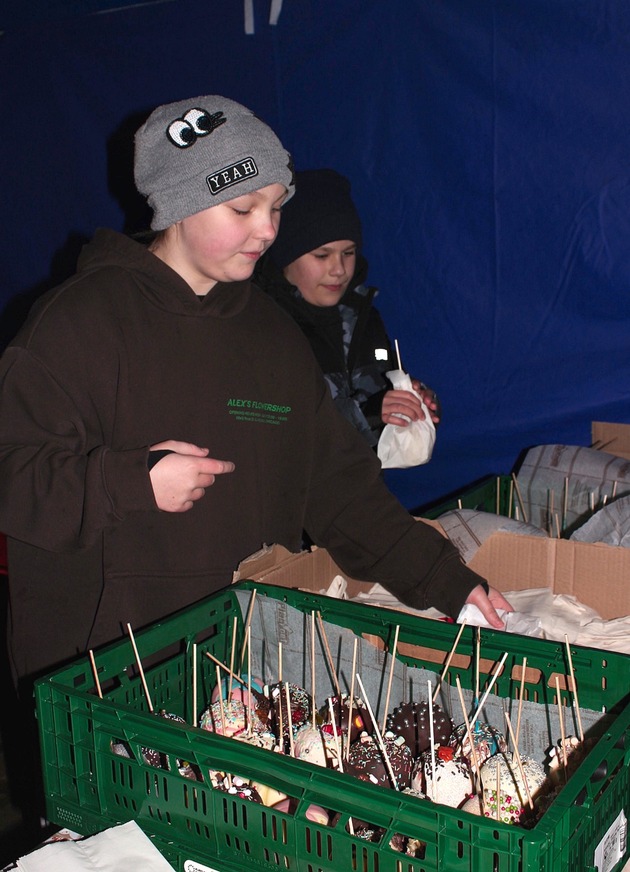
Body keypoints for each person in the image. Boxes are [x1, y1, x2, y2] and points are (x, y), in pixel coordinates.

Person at [0, 95, 510, 697]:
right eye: (243, 207)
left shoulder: (272, 337)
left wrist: (447, 581)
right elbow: (14, 474)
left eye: (275, 206)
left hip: (243, 666)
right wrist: (130, 481)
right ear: (179, 206)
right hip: (107, 678)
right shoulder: (78, 322)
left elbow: (340, 490)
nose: (268, 230)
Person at [255, 168, 439, 449]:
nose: (339, 270)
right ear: (285, 257)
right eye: (322, 255)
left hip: (361, 485)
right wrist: (370, 414)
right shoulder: (258, 324)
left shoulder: (364, 317)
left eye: (349, 253)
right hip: (290, 492)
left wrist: (407, 398)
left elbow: (375, 391)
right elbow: (262, 421)